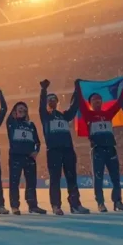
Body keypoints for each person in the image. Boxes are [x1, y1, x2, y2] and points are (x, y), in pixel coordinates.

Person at [76, 81, 123, 212]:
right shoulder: (88, 114)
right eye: (94, 100)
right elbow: (80, 101)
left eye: (99, 99)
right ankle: (100, 203)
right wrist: (77, 86)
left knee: (116, 178)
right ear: (90, 103)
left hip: (111, 149)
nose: (97, 101)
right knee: (98, 178)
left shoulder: (108, 114)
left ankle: (118, 202)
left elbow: (120, 101)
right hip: (97, 150)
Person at [38, 80, 88, 215]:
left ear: (57, 102)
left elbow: (74, 106)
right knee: (55, 178)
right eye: (50, 99)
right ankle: (56, 205)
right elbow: (41, 106)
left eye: (54, 99)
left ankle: (75, 204)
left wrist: (77, 90)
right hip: (53, 151)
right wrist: (44, 90)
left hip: (68, 150)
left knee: (72, 178)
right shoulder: (45, 117)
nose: (52, 101)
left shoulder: (64, 116)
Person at [6, 100, 44, 215]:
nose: (22, 111)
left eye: (24, 109)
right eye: (19, 109)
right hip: (15, 157)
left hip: (29, 158)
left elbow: (38, 142)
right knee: (14, 182)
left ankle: (33, 205)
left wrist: (36, 151)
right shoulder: (11, 123)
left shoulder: (31, 125)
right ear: (15, 112)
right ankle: (15, 206)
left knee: (31, 182)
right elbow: (7, 115)